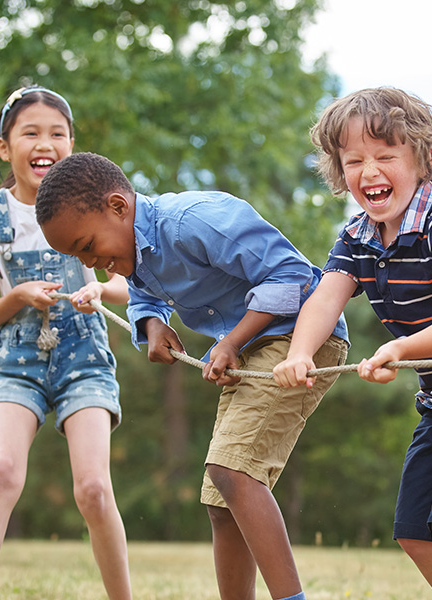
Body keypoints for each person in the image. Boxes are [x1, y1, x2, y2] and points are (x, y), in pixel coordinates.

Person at [34, 151, 349, 600]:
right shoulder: (136, 254)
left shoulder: (193, 221)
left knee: (232, 472)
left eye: (88, 247)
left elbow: (292, 274)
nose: (94, 263)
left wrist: (232, 341)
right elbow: (144, 295)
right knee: (221, 501)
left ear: (119, 207)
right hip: (250, 348)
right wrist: (152, 325)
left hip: (299, 338)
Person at [273, 87, 432, 595]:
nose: (369, 171)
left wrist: (398, 348)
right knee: (415, 533)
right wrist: (299, 353)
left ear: (422, 157)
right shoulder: (357, 236)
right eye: (354, 160)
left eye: (385, 156)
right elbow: (324, 300)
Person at [0, 86, 131, 598]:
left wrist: (102, 285)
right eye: (30, 132)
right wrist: (17, 298)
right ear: (5, 147)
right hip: (16, 362)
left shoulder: (96, 206)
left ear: (71, 145)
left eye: (57, 133)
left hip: (85, 360)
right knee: (4, 472)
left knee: (94, 490)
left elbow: (128, 283)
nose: (44, 142)